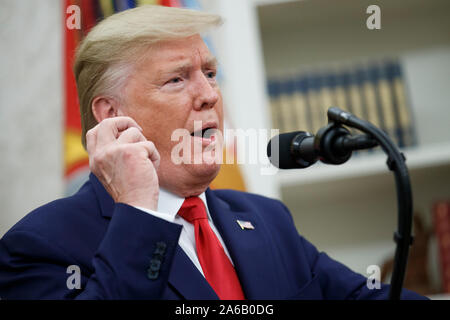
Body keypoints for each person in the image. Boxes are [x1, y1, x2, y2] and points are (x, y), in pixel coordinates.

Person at [0, 5, 425, 300]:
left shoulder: (266, 219)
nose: (209, 95)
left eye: (209, 73)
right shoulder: (41, 245)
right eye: (176, 80)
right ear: (112, 115)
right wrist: (140, 213)